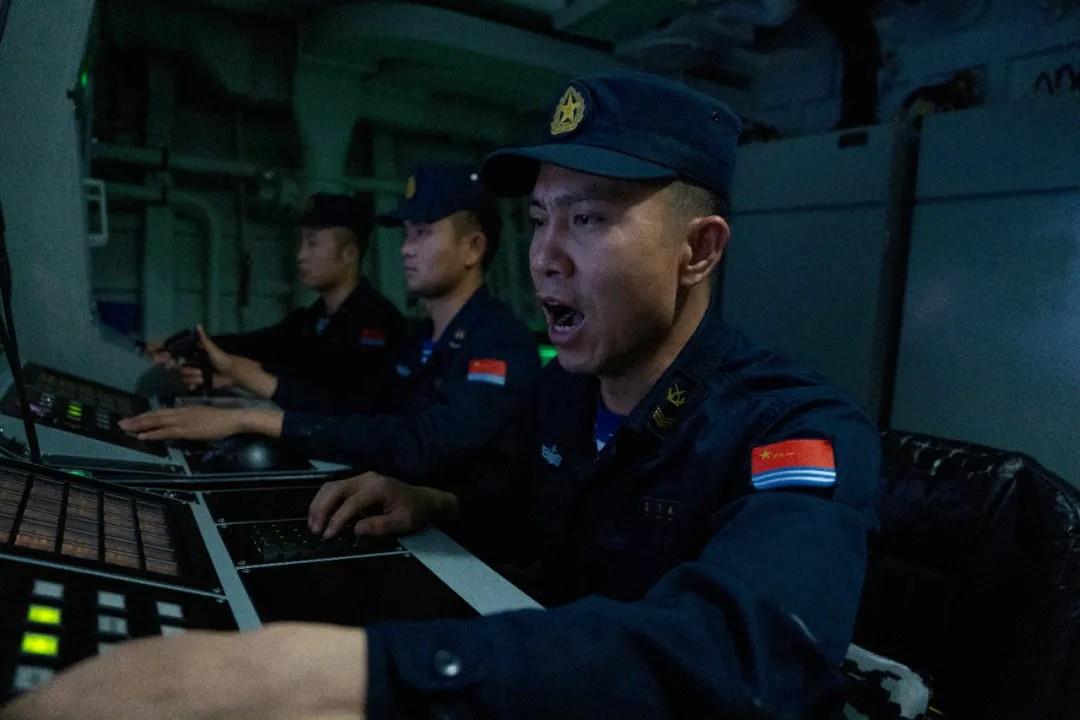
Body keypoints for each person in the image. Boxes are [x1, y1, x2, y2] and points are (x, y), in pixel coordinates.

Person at [3, 71, 879, 719]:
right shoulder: (567, 394)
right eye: (539, 218)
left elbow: (747, 658)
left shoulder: (795, 427)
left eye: (588, 218)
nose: (545, 257)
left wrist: (340, 675)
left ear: (699, 250)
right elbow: (532, 515)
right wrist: (437, 501)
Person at [121, 166, 539, 533]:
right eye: (407, 234)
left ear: (473, 248)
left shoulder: (500, 342)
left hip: (473, 551)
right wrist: (250, 403)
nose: (405, 248)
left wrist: (258, 419)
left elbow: (421, 445)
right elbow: (356, 409)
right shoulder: (419, 340)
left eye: (423, 233)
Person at [145, 192, 405, 415]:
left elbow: (345, 401)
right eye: (302, 243)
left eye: (312, 243)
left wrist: (243, 374)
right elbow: (257, 345)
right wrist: (192, 348)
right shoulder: (308, 322)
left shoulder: (380, 324)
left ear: (349, 254)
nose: (301, 255)